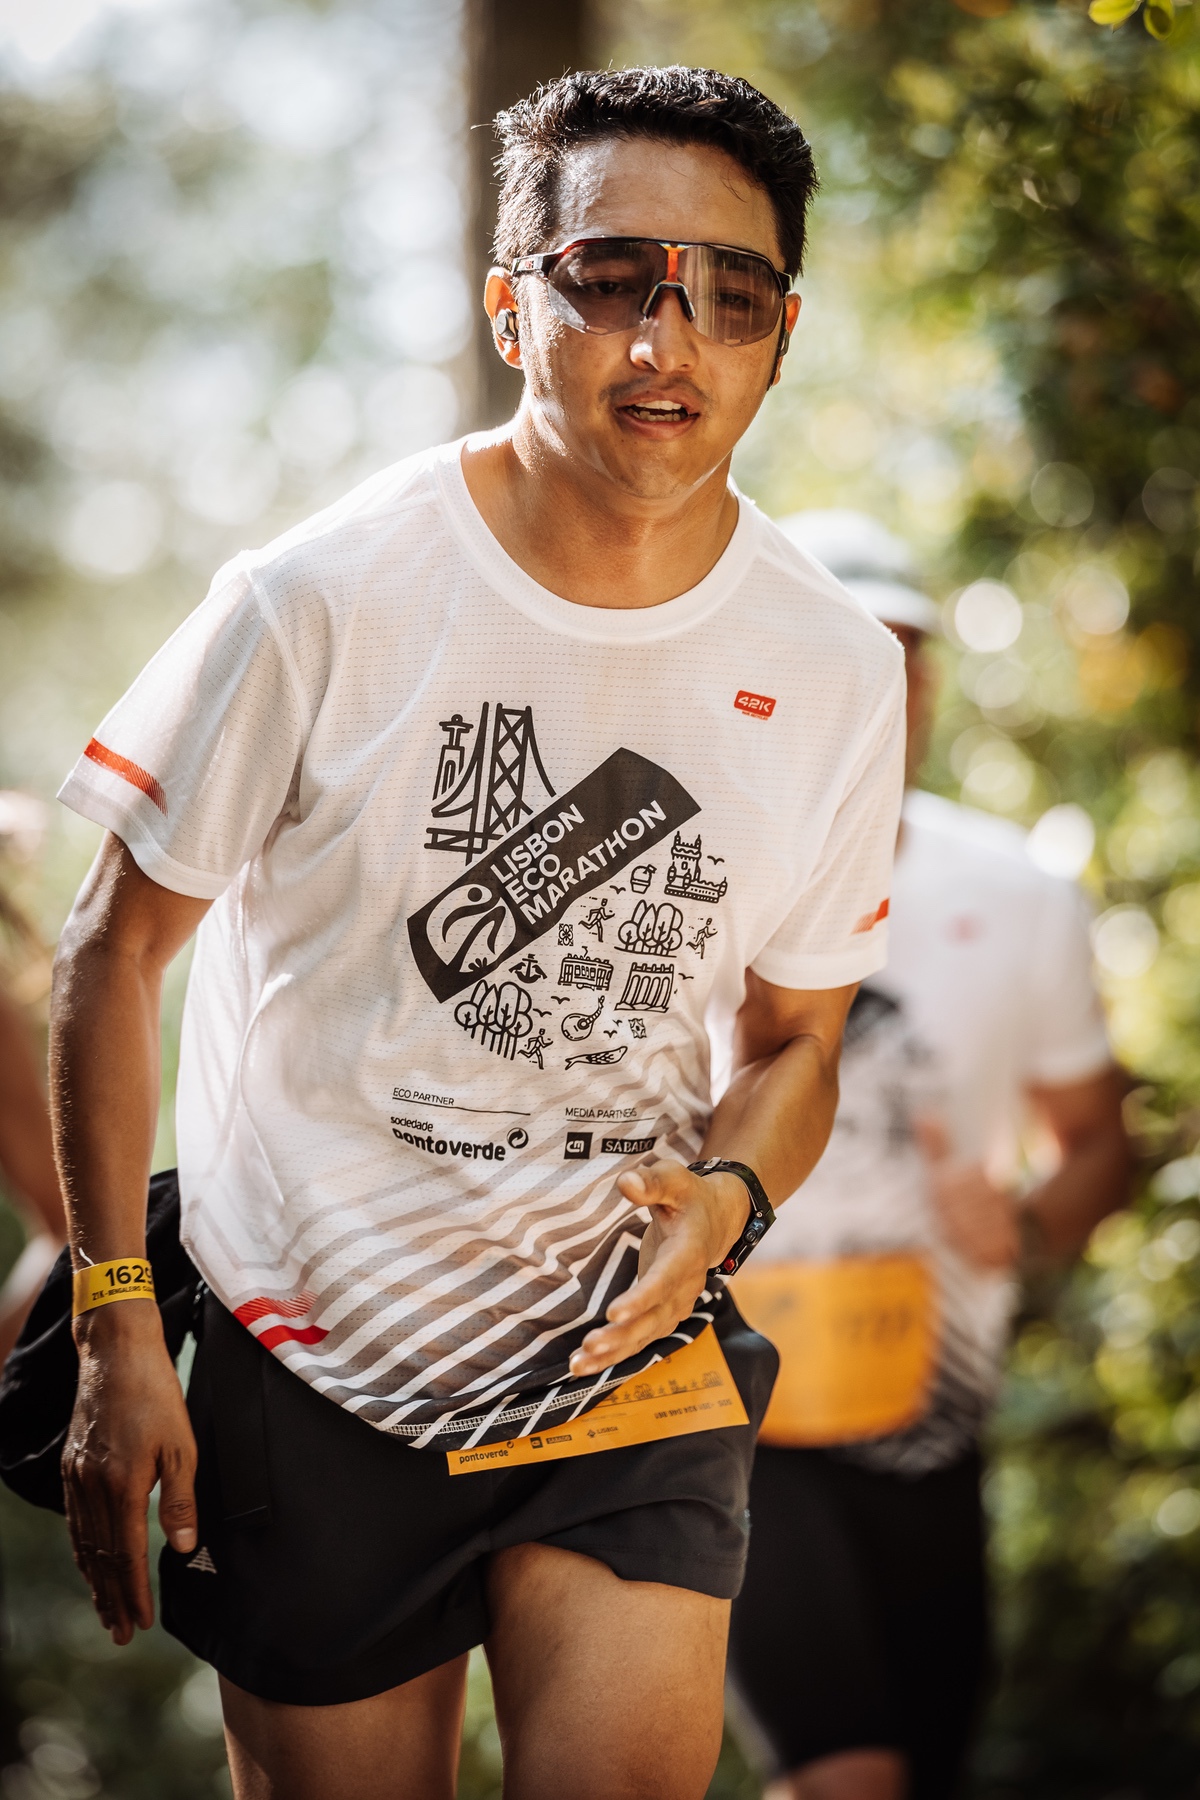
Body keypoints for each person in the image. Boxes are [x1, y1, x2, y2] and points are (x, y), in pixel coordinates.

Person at [48, 71, 908, 1800]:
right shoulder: (319, 597)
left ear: (782, 337)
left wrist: (730, 1200)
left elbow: (798, 1043)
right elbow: (109, 956)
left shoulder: (835, 666)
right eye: (613, 278)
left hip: (622, 1347)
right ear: (515, 307)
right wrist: (115, 1321)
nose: (668, 338)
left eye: (730, 294)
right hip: (317, 1348)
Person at [726, 510, 1132, 1800]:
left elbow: (1097, 1147)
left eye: (896, 652)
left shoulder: (1017, 893)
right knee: (851, 1775)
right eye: (836, 651)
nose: (872, 684)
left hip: (933, 1410)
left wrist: (1034, 1218)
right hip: (736, 1410)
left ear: (927, 682)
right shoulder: (697, 881)